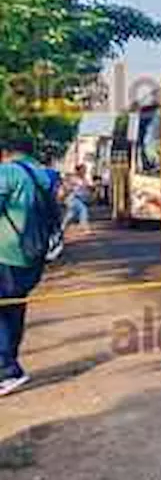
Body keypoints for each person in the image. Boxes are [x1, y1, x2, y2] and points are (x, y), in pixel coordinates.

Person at [0, 137, 60, 397]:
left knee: (3, 310)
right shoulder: (44, 174)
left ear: (6, 153)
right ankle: (8, 367)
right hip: (32, 256)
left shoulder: (9, 172)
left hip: (6, 253)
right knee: (13, 308)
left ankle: (8, 370)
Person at [61, 163, 92, 234]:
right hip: (72, 198)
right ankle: (84, 227)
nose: (84, 172)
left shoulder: (84, 179)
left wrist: (89, 187)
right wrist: (71, 188)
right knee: (83, 210)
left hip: (79, 198)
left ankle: (62, 226)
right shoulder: (73, 178)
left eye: (85, 170)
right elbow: (66, 186)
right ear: (79, 171)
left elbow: (87, 187)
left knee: (71, 214)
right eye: (83, 170)